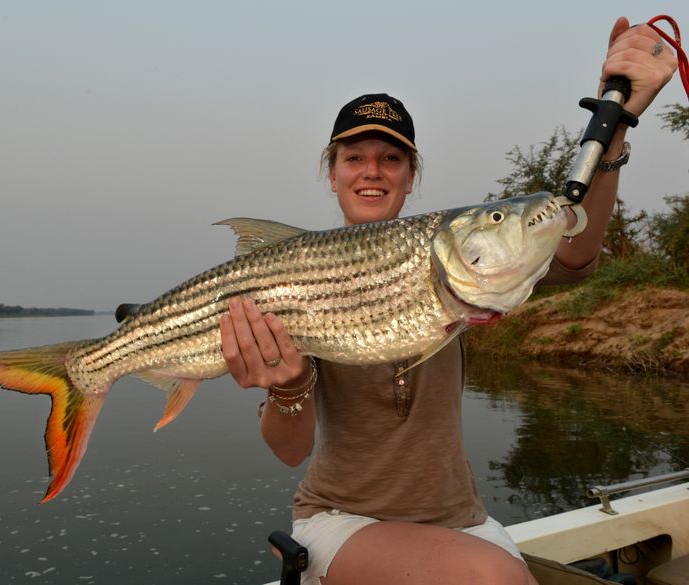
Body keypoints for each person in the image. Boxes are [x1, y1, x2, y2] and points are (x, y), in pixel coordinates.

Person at [219, 17, 677, 585]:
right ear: (331, 174)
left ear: (411, 176)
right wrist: (286, 387)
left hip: (459, 518)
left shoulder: (451, 259)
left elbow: (575, 245)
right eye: (354, 157)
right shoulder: (299, 278)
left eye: (391, 159)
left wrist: (618, 125)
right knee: (495, 579)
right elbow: (290, 451)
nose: (372, 172)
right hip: (341, 521)